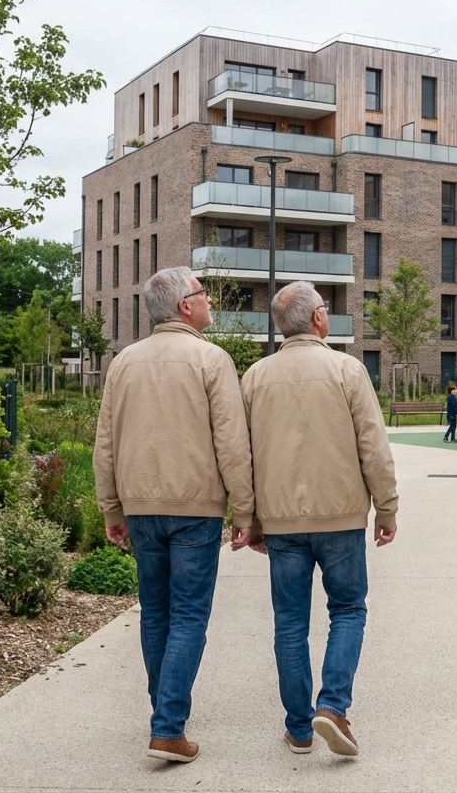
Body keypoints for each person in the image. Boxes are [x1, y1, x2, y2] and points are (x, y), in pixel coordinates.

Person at [94, 267, 256, 764]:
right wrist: (245, 509)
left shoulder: (123, 363)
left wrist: (111, 508)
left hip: (141, 508)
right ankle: (167, 726)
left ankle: (163, 715)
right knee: (187, 616)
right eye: (204, 294)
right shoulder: (211, 359)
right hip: (195, 510)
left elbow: (106, 442)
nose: (210, 302)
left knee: (156, 614)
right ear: (186, 305)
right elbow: (232, 443)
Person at [240, 282, 398, 758]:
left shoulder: (255, 377)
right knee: (348, 610)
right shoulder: (348, 370)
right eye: (326, 308)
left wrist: (248, 517)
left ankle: (299, 730)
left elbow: (240, 454)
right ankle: (332, 706)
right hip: (341, 517)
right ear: (316, 320)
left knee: (289, 622)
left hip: (281, 520)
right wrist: (386, 507)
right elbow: (373, 446)